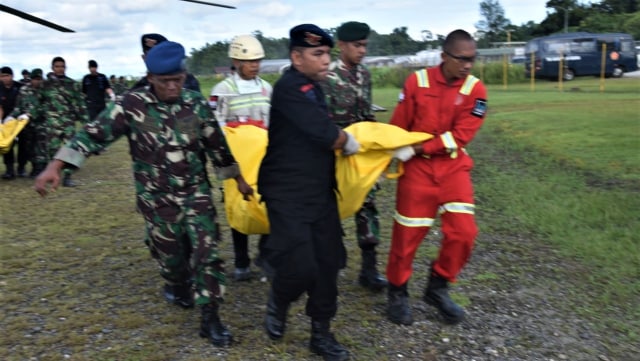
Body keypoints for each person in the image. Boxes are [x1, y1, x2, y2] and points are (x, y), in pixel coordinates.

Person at [34, 41, 254, 348]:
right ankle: (176, 283)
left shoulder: (194, 103)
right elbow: (92, 134)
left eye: (177, 79)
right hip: (157, 198)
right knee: (173, 258)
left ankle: (211, 318)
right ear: (150, 78)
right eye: (165, 82)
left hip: (195, 194)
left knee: (208, 253)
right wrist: (56, 165)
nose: (173, 86)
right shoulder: (130, 105)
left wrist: (239, 180)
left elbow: (217, 146)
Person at [258, 24, 359, 361]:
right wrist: (348, 140)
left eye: (328, 53)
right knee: (301, 267)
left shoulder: (313, 86)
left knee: (329, 263)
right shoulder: (290, 88)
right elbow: (324, 134)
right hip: (286, 194)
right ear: (296, 57)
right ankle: (280, 299)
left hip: (318, 191)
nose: (326, 60)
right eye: (318, 54)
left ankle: (321, 334)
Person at [385, 29, 488, 326]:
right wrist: (387, 156)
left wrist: (418, 146)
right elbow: (399, 127)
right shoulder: (417, 82)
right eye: (462, 59)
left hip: (453, 168)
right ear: (444, 56)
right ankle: (398, 291)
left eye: (473, 59)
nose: (468, 65)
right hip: (417, 171)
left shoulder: (475, 90)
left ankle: (438, 286)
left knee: (464, 233)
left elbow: (462, 136)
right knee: (406, 236)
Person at [320, 21, 388, 291]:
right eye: (357, 46)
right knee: (329, 207)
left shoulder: (365, 76)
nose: (362, 51)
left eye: (365, 46)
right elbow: (319, 120)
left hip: (359, 153)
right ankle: (330, 263)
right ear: (341, 46)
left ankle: (369, 270)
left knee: (367, 204)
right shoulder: (327, 76)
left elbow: (367, 116)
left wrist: (377, 149)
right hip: (331, 153)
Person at [210, 34, 273, 281]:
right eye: (249, 61)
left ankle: (265, 255)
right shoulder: (222, 91)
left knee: (268, 205)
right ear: (235, 61)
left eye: (258, 60)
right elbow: (214, 125)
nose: (254, 65)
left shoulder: (267, 88)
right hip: (236, 163)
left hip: (263, 161)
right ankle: (241, 262)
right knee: (239, 208)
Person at [40, 56, 89, 187]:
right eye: (57, 66)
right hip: (52, 123)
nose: (60, 69)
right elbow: (40, 102)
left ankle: (68, 176)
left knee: (71, 149)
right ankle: (53, 174)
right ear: (52, 68)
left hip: (68, 122)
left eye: (62, 66)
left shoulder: (72, 84)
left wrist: (86, 121)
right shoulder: (45, 85)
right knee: (52, 149)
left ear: (65, 68)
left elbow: (80, 104)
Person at [131, 33, 201, 93]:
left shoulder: (187, 81)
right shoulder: (138, 88)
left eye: (160, 55)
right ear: (144, 58)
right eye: (150, 56)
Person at [8, 68, 46, 177]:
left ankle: (39, 169)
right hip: (27, 125)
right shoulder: (24, 90)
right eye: (35, 79)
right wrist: (11, 117)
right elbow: (18, 107)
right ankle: (34, 167)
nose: (37, 81)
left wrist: (31, 114)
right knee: (29, 147)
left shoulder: (45, 91)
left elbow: (46, 107)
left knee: (41, 147)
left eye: (39, 79)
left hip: (41, 124)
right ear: (31, 79)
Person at [0, 66, 25, 179]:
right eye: (1, 76)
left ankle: (21, 168)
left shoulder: (20, 87)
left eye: (6, 76)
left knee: (23, 145)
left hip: (19, 121)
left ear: (12, 76)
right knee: (7, 146)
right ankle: (10, 170)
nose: (4, 78)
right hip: (5, 122)